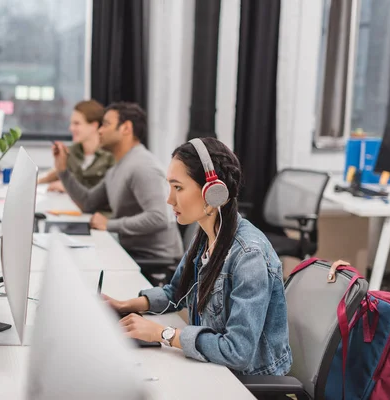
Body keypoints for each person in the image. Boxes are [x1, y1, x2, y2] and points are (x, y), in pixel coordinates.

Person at [103, 137, 292, 376]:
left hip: (246, 383)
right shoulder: (205, 235)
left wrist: (164, 334)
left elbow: (238, 351)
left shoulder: (249, 256)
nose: (169, 199)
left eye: (178, 187)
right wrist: (125, 305)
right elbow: (176, 293)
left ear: (212, 192)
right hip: (214, 369)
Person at [53, 102, 183, 261]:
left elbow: (159, 217)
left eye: (106, 124)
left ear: (126, 128)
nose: (100, 130)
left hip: (154, 260)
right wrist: (62, 170)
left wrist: (109, 224)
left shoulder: (142, 166)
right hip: (131, 250)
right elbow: (88, 202)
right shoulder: (117, 167)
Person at [38, 99, 114, 193]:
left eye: (77, 123)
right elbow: (54, 174)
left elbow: (110, 191)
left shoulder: (111, 155)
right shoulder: (71, 152)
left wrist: (70, 188)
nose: (71, 128)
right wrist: (36, 182)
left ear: (94, 125)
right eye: (71, 123)